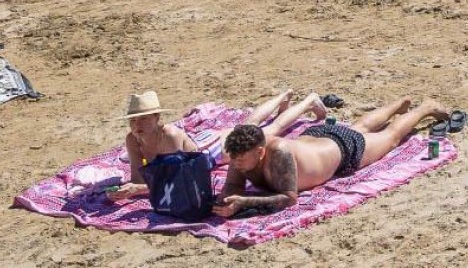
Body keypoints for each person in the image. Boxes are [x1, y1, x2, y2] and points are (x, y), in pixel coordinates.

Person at [214, 96, 450, 217]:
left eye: (241, 160)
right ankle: (398, 104)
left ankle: (425, 108)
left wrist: (246, 202)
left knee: (391, 136)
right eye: (235, 159)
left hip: (343, 149)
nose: (236, 164)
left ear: (260, 151)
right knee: (359, 127)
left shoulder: (280, 153)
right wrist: (225, 202)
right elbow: (234, 185)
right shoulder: (241, 154)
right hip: (316, 138)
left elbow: (289, 198)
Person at [106, 89, 326, 204]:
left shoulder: (170, 135)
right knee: (248, 124)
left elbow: (180, 180)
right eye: (133, 120)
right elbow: (137, 177)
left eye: (143, 119)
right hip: (200, 140)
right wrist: (127, 191)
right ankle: (283, 97)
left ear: (156, 118)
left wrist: (140, 189)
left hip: (210, 150)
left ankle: (308, 101)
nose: (137, 125)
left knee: (266, 131)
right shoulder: (133, 139)